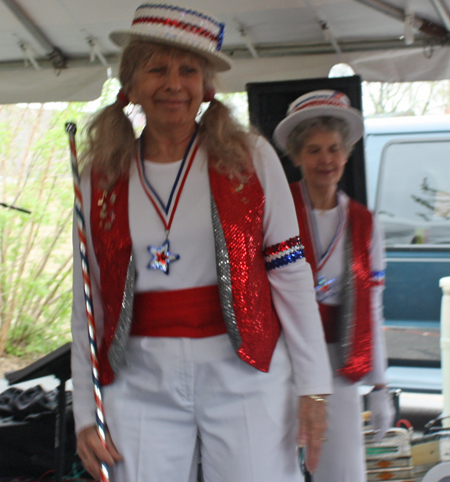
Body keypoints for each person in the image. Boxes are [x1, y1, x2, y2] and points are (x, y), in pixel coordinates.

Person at [70, 5, 333, 482]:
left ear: (207, 87)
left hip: (246, 373)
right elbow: (85, 302)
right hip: (138, 379)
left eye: (188, 70)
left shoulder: (250, 158)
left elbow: (290, 271)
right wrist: (86, 410)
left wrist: (314, 385)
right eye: (157, 69)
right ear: (130, 85)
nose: (174, 84)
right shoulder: (100, 175)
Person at [273, 90, 395, 482]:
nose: (325, 159)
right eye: (313, 150)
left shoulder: (365, 222)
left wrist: (380, 386)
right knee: (276, 466)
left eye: (334, 149)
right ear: (296, 156)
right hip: (282, 359)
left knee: (341, 470)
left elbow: (373, 306)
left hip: (340, 363)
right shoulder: (275, 210)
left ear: (346, 154)